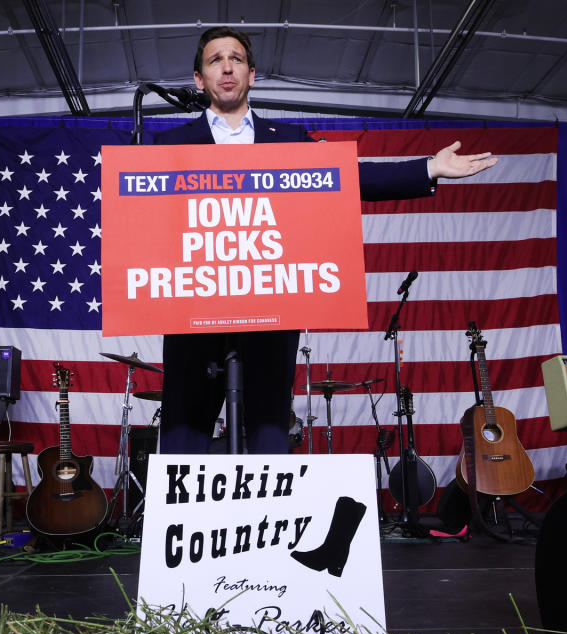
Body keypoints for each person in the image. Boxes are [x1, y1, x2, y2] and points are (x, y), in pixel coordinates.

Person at [154, 26, 497, 455]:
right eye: (215, 60)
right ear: (199, 80)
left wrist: (427, 168)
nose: (227, 66)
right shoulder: (164, 146)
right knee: (184, 439)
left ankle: (263, 520)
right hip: (194, 314)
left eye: (237, 58)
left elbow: (348, 176)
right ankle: (186, 524)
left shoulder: (290, 141)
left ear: (252, 74)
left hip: (270, 311)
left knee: (269, 439)